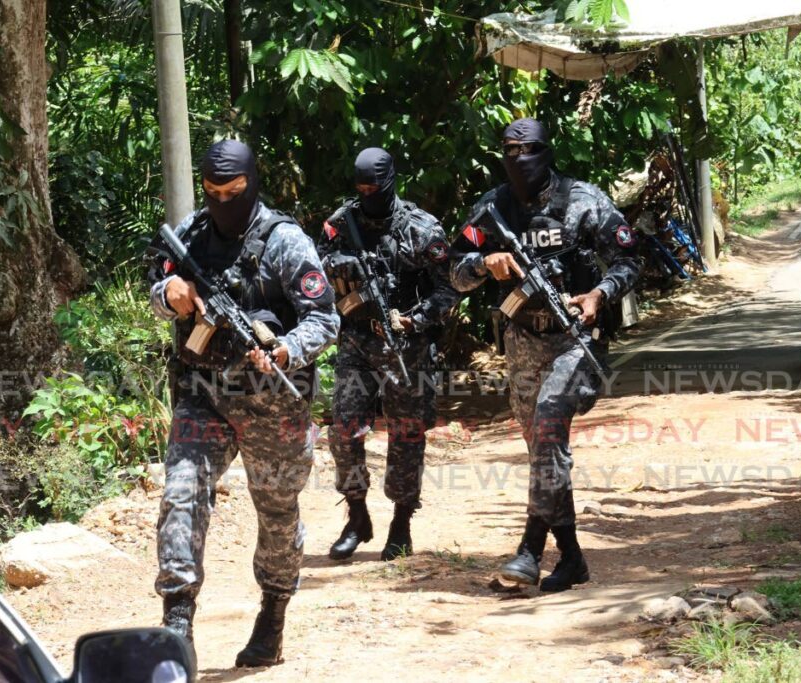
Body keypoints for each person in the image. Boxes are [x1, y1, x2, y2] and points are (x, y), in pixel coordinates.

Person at [147, 139, 339, 666]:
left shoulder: (284, 242)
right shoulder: (190, 235)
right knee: (182, 494)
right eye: (212, 192)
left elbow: (325, 319)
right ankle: (177, 626)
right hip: (203, 395)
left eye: (234, 191)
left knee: (276, 513)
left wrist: (284, 348)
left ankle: (273, 615)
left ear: (253, 183)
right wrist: (172, 295)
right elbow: (155, 284)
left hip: (272, 402)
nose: (222, 201)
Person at [449, 119, 640, 592]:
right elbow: (452, 272)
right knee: (542, 451)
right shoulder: (493, 207)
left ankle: (530, 549)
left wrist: (598, 294)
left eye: (527, 150)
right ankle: (572, 556)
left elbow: (629, 258)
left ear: (546, 151)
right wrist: (482, 264)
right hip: (521, 342)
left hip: (575, 339)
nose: (518, 159)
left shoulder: (582, 200)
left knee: (550, 428)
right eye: (509, 151)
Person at [318, 147, 459, 562]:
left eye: (374, 187)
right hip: (357, 341)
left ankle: (401, 522)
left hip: (407, 347)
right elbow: (312, 269)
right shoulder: (340, 224)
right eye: (360, 188)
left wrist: (414, 320)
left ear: (390, 182)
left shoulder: (421, 228)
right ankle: (357, 515)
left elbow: (448, 289)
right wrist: (339, 265)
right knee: (343, 430)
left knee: (406, 434)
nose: (367, 194)